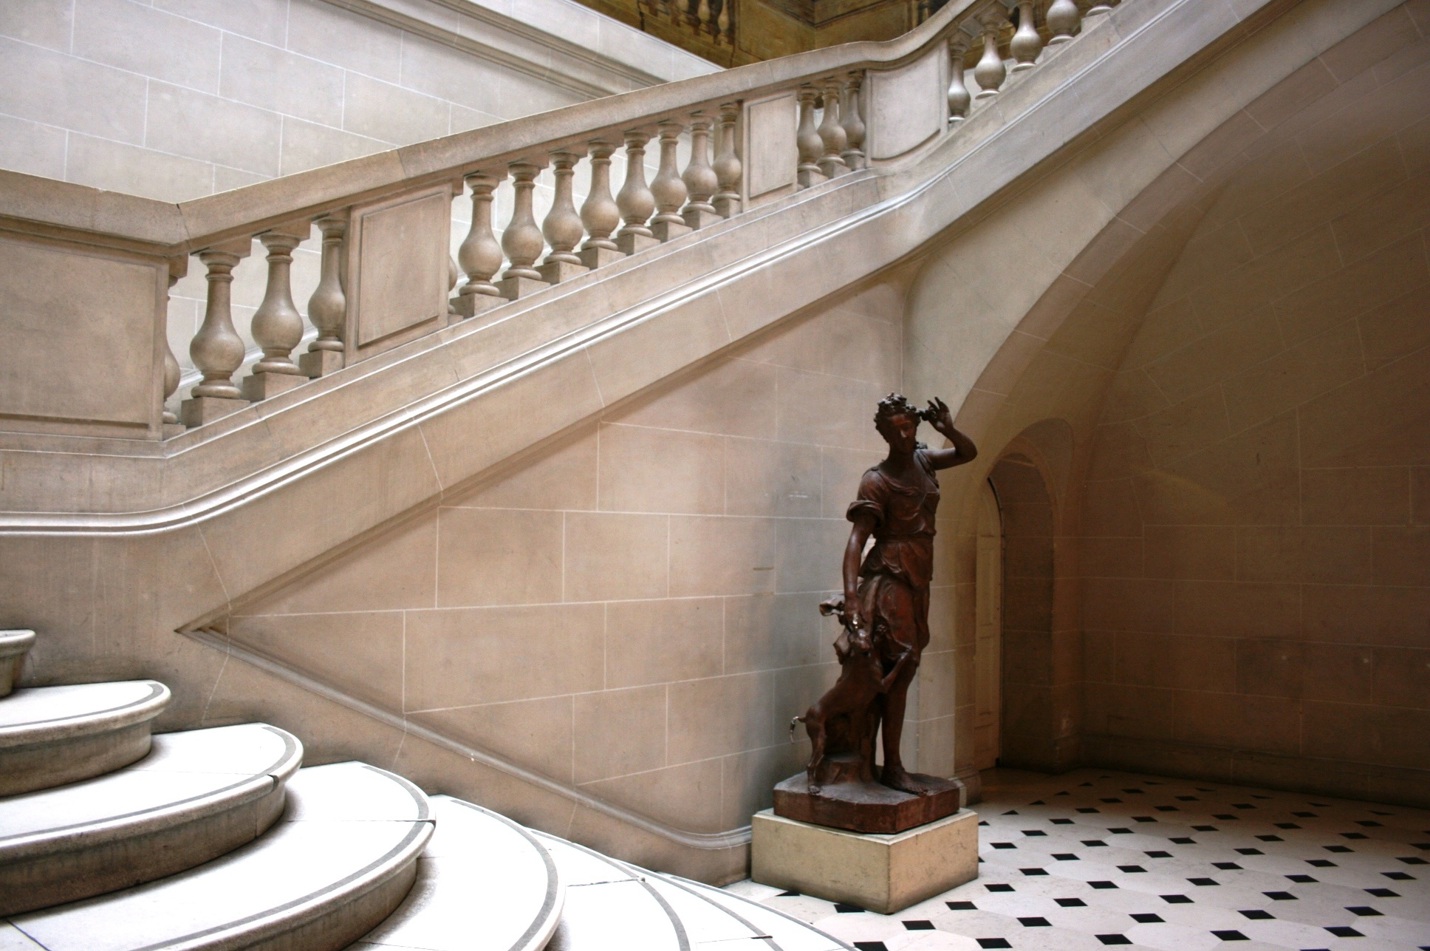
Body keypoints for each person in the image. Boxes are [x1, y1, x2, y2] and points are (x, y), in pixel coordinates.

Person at [838, 393, 976, 794]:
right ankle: (891, 766)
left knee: (904, 664)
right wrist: (851, 599)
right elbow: (856, 541)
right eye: (895, 429)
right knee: (900, 664)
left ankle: (885, 764)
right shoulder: (876, 479)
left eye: (908, 427)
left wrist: (949, 429)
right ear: (883, 433)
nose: (903, 435)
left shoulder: (924, 460)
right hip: (890, 573)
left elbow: (967, 453)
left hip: (919, 571)